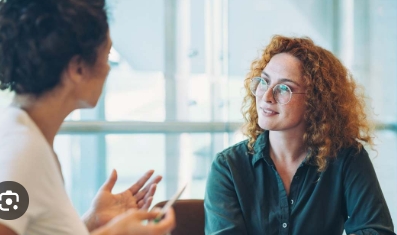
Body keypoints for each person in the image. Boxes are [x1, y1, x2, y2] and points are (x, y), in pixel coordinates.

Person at [0, 0, 175, 235]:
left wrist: (90, 223)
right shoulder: (24, 152)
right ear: (78, 68)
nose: (109, 69)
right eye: (107, 55)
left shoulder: (28, 138)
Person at [204, 35, 395, 235]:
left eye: (284, 88)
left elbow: (376, 231)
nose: (267, 97)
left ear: (316, 101)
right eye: (264, 81)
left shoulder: (347, 157)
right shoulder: (228, 166)